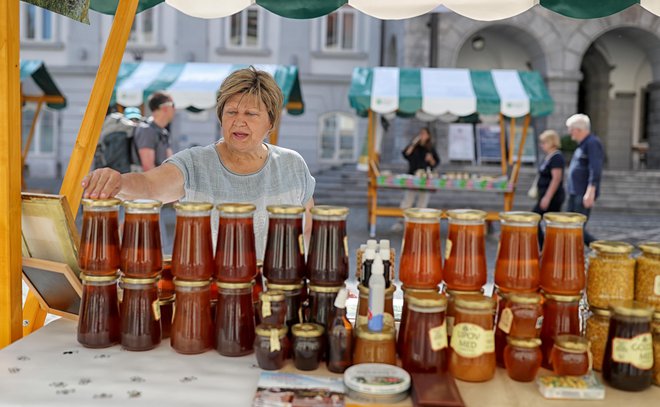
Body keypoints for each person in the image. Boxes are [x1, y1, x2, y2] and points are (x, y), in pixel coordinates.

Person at [82, 67, 316, 259]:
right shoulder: (195, 163)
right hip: (212, 301)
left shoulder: (292, 165)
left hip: (279, 302)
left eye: (251, 114)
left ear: (271, 122)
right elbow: (149, 186)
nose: (239, 122)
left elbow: (309, 227)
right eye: (231, 112)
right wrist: (118, 182)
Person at [565, 113, 604, 245]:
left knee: (576, 228)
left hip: (582, 193)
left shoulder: (592, 143)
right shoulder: (583, 144)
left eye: (571, 129)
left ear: (579, 129)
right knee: (569, 226)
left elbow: (595, 168)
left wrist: (590, 191)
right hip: (575, 192)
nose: (570, 133)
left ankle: (599, 248)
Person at [531, 130, 565, 247]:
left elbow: (556, 178)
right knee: (545, 222)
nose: (542, 145)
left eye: (544, 142)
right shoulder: (549, 157)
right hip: (545, 195)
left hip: (552, 196)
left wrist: (547, 197)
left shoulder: (556, 157)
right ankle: (546, 247)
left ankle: (546, 246)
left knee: (535, 219)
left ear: (551, 142)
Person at [400, 127, 440, 209]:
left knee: (423, 200)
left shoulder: (430, 148)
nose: (422, 135)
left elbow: (436, 163)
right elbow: (406, 154)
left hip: (425, 176)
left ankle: (420, 220)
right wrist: (414, 143)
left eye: (424, 134)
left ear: (428, 136)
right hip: (413, 174)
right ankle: (402, 219)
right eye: (421, 133)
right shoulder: (414, 146)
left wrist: (431, 158)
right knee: (408, 199)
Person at [135, 91, 175, 171]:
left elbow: (171, 163)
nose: (175, 109)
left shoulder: (163, 132)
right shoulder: (147, 130)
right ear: (164, 108)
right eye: (173, 105)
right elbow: (148, 167)